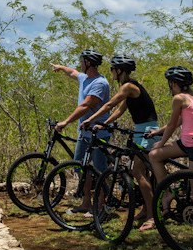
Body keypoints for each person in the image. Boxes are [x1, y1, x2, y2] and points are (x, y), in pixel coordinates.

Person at [82, 55, 159, 224]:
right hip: (142, 129)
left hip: (148, 130)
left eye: (112, 69)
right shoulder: (130, 87)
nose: (111, 72)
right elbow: (119, 110)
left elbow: (109, 105)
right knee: (141, 172)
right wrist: (103, 123)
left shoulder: (128, 87)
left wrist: (90, 119)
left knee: (138, 172)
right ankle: (147, 209)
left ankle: (153, 216)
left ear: (119, 70)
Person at [142, 65, 193, 240]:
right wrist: (157, 133)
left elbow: (172, 125)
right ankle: (168, 191)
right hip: (186, 143)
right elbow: (179, 121)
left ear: (173, 83)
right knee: (154, 156)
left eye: (169, 83)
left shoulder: (179, 98)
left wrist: (160, 143)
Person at [50, 50, 111, 212]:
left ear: (89, 63)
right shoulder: (85, 78)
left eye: (82, 61)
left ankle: (101, 206)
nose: (80, 64)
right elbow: (73, 72)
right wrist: (61, 67)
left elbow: (86, 106)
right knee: (81, 167)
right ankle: (86, 203)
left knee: (99, 171)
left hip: (99, 134)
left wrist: (65, 122)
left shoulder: (100, 83)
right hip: (84, 133)